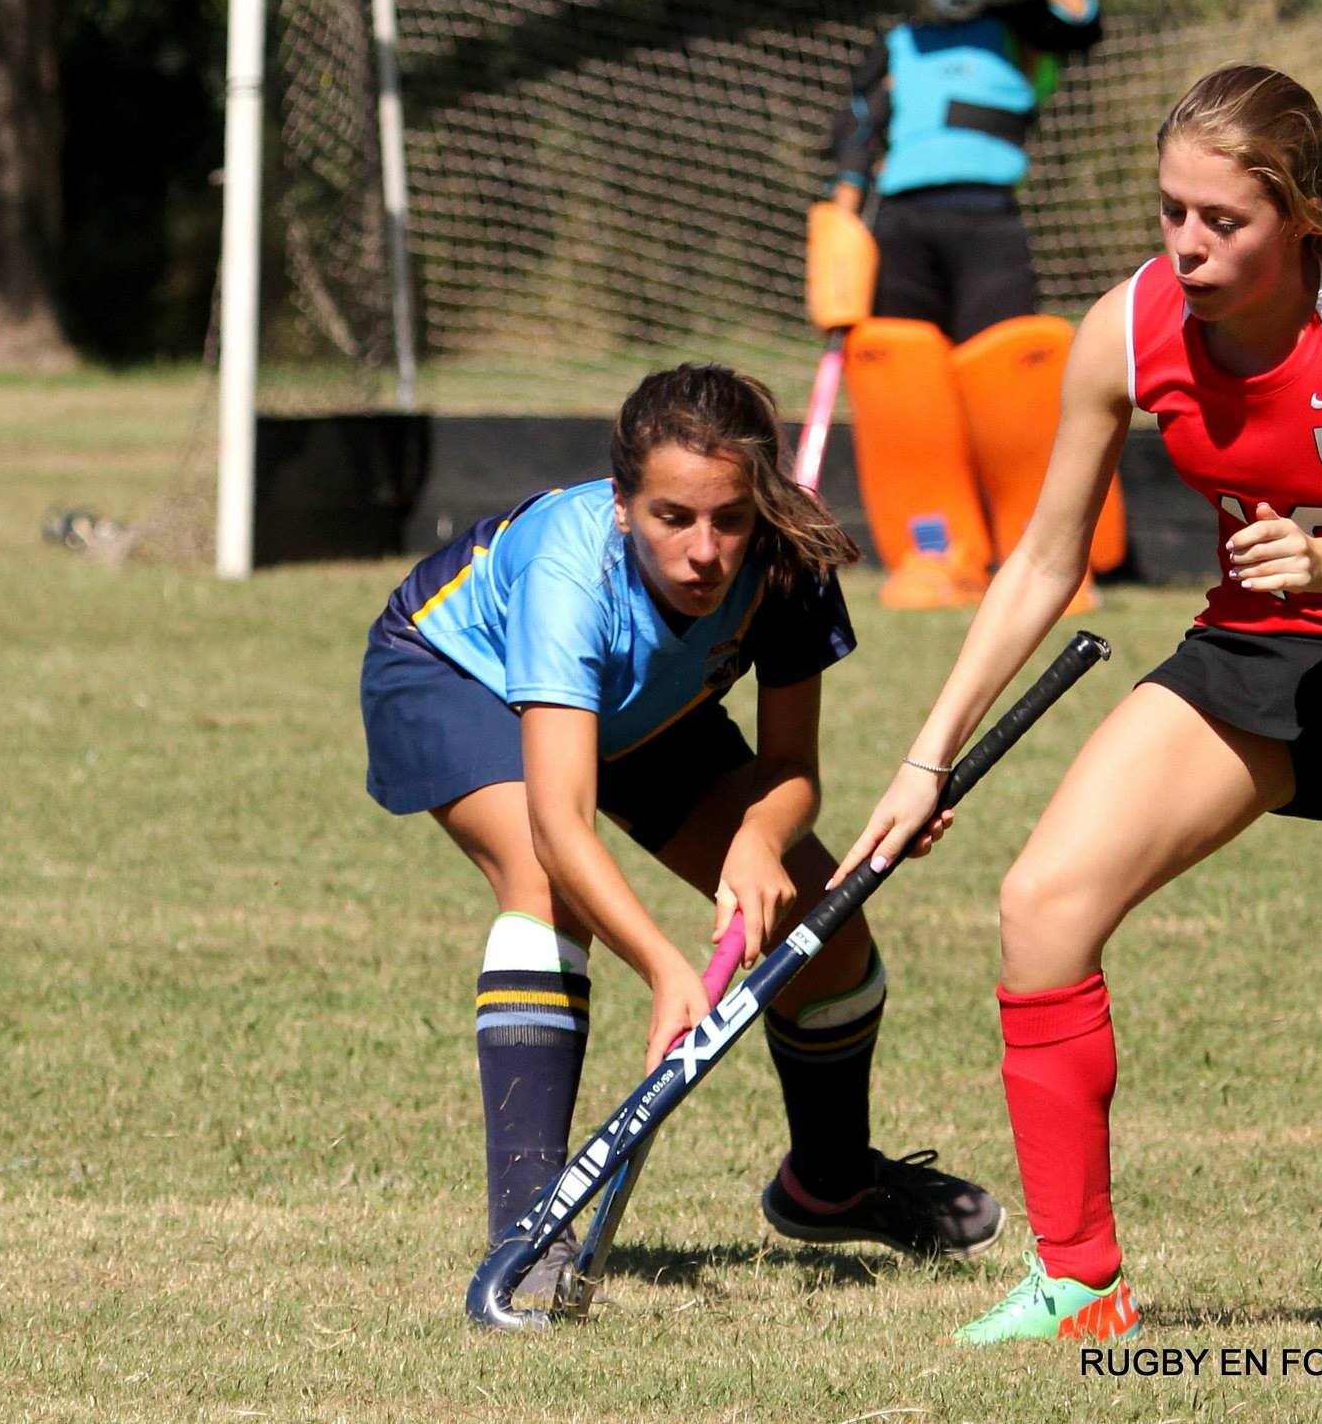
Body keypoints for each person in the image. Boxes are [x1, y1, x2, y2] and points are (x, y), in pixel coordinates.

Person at [831, 65, 1322, 1350]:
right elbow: (1046, 559)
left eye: (1217, 220)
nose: (1184, 243)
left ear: (1297, 213)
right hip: (1252, 651)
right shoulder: (1122, 328)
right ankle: (1079, 1283)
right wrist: (922, 758)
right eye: (1168, 210)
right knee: (1041, 906)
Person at [359, 363, 1003, 1301]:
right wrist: (666, 967)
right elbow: (558, 822)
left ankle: (829, 1184)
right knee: (545, 894)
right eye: (672, 518)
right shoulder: (565, 570)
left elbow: (793, 769)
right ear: (622, 505)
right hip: (459, 671)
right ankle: (530, 1232)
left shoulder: (786, 563)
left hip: (645, 708)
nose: (704, 551)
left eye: (729, 519)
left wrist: (759, 838)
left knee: (829, 935)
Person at [823, 0, 1124, 609]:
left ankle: (1042, 558)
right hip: (900, 228)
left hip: (988, 224)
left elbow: (1081, 19)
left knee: (1015, 387)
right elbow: (856, 133)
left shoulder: (1019, 30)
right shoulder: (898, 43)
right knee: (906, 387)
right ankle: (935, 555)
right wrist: (838, 229)